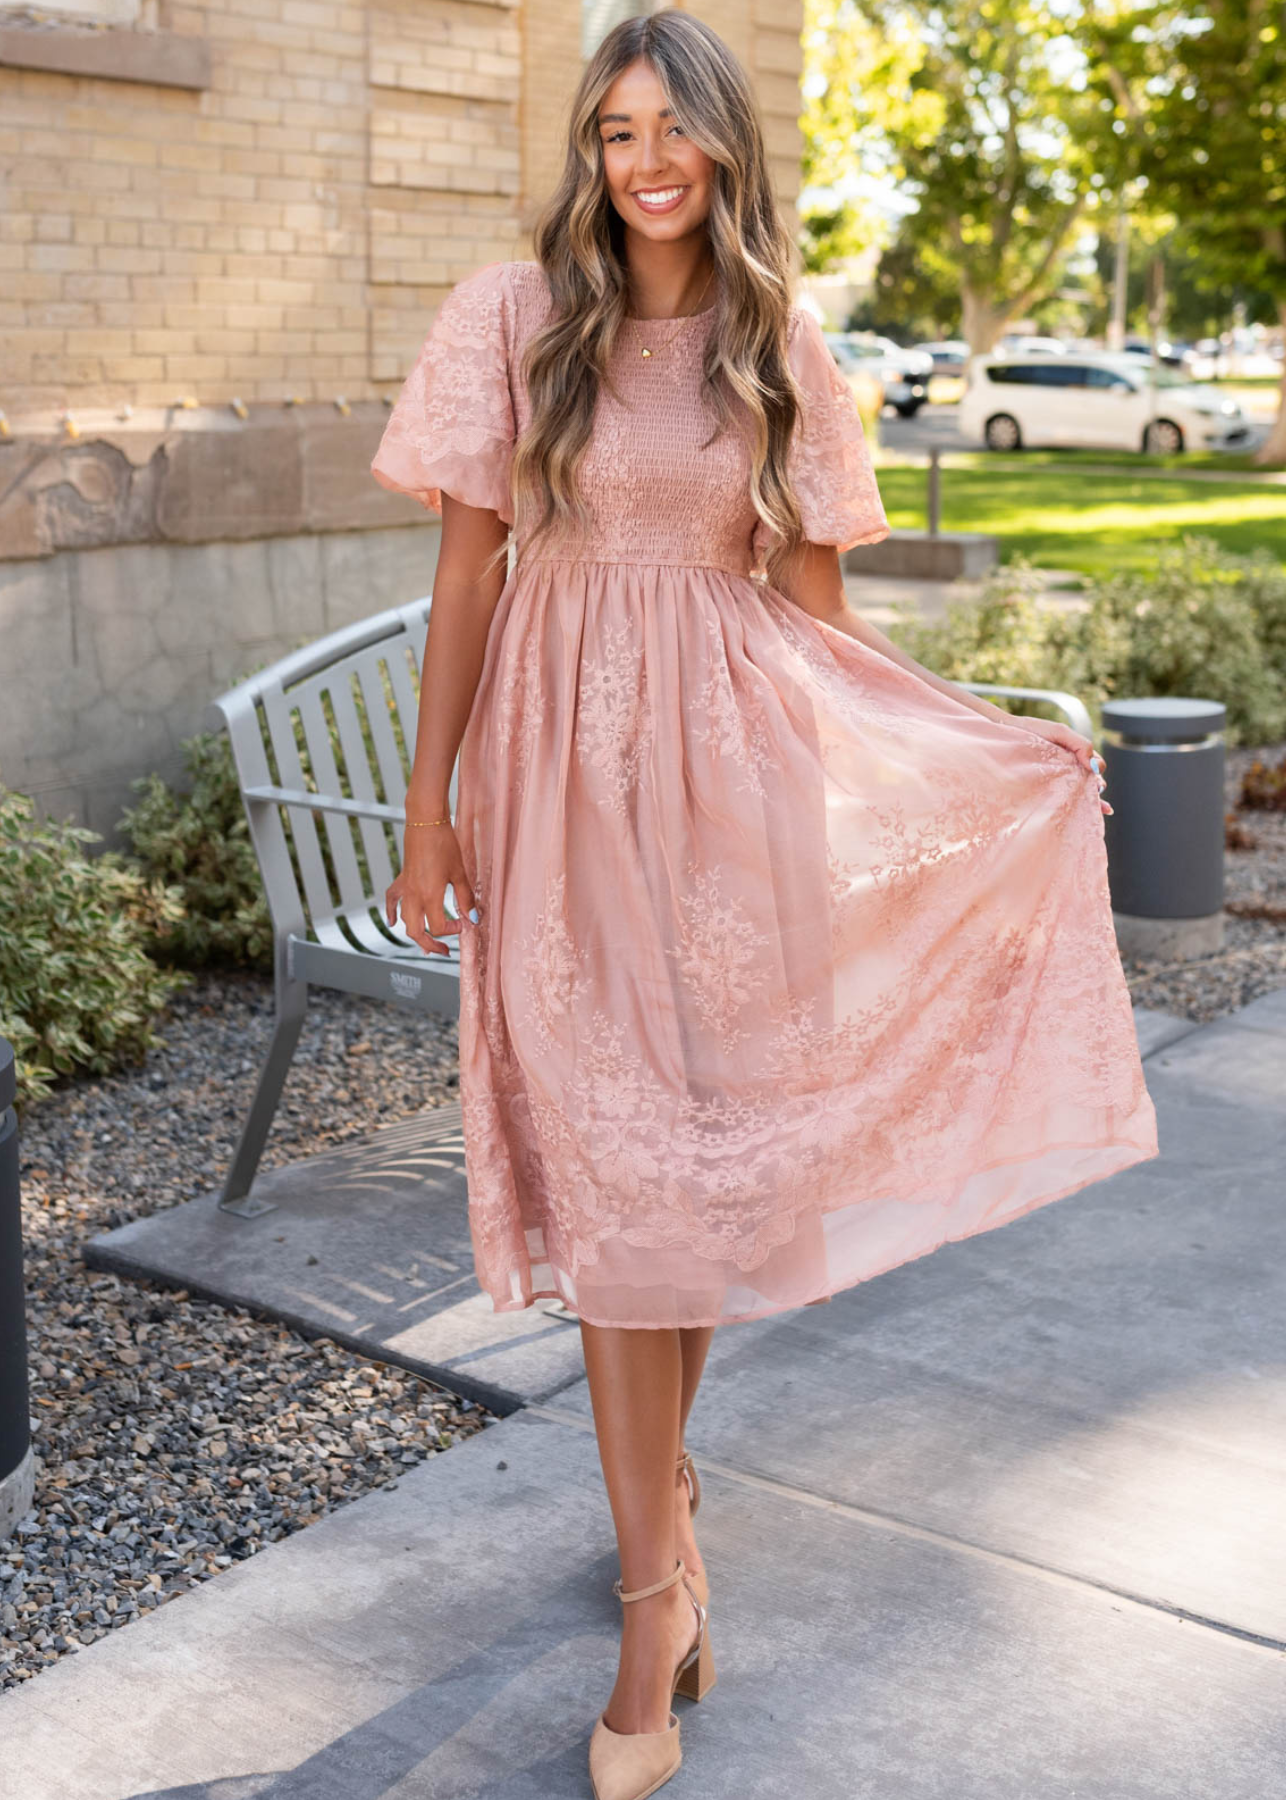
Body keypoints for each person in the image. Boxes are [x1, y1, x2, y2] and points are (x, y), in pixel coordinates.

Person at [370, 13, 1159, 1796]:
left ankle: (659, 1525)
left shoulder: (777, 343)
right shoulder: (513, 316)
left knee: (699, 1176)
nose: (643, 160)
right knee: (607, 1170)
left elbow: (814, 631)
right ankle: (660, 1591)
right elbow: (465, 580)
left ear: (725, 148)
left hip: (736, 811)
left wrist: (976, 760)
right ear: (591, 149)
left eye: (673, 130)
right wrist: (431, 809)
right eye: (614, 130)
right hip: (557, 796)